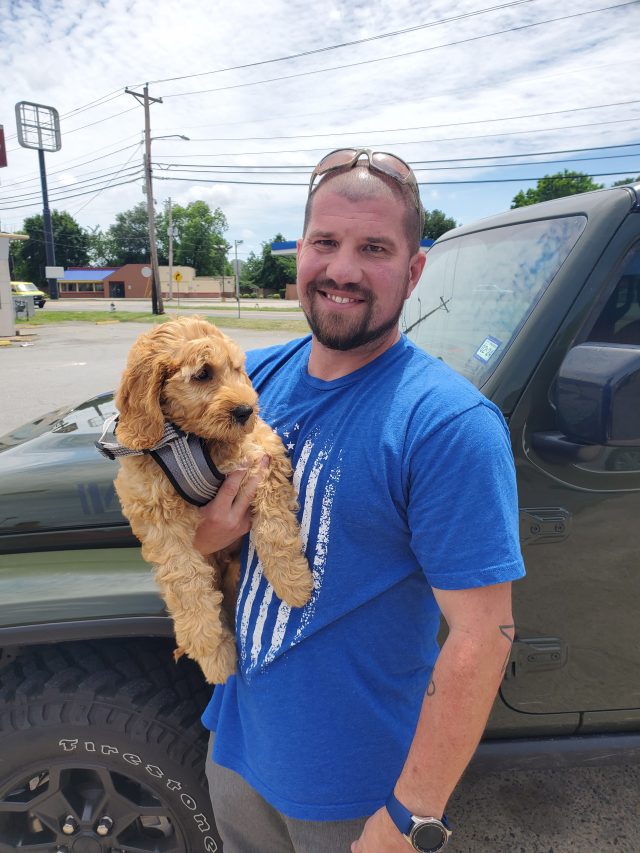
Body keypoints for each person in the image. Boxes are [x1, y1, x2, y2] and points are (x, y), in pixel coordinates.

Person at [194, 148, 525, 853]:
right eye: (325, 242)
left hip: (354, 794)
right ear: (300, 252)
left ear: (413, 270)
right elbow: (185, 527)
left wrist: (410, 818)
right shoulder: (255, 379)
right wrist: (208, 534)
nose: (342, 268)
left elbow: (483, 635)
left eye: (373, 247)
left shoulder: (445, 424)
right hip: (236, 750)